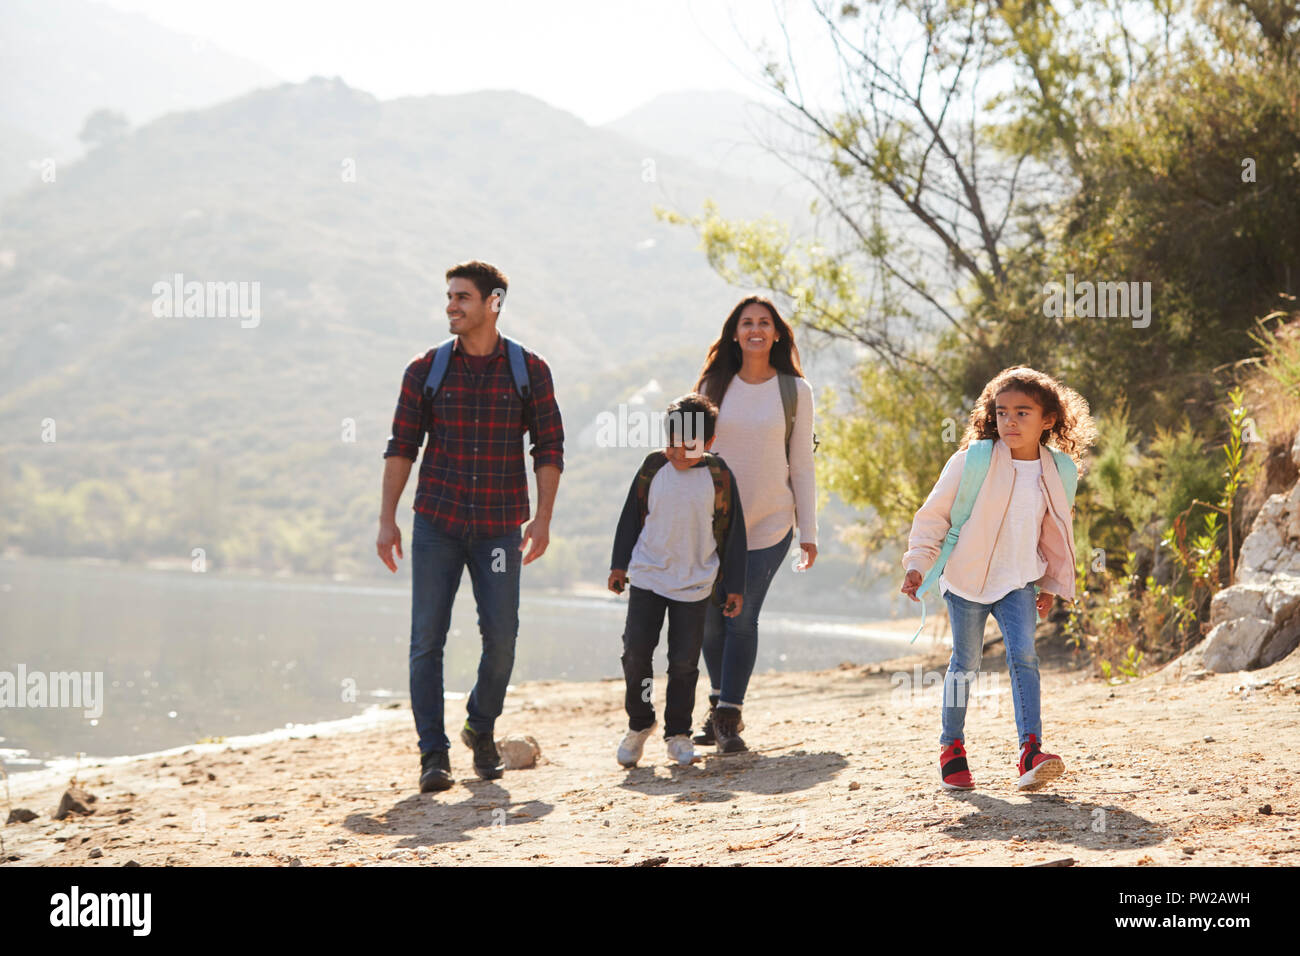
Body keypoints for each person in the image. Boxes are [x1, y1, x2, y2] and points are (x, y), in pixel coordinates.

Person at [377, 260, 564, 793]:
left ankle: (479, 727)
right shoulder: (424, 370)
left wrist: (543, 519)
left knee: (502, 638)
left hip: (500, 528)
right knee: (426, 641)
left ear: (493, 302)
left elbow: (548, 448)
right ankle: (433, 755)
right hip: (435, 522)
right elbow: (401, 448)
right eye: (449, 297)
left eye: (462, 297)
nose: (451, 306)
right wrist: (387, 519)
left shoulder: (529, 369)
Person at [900, 366, 1095, 792]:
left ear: (1048, 420)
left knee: (1025, 657)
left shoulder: (1059, 470)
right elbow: (934, 516)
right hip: (966, 580)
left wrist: (1049, 584)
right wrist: (917, 564)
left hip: (1020, 580)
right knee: (965, 664)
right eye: (1002, 411)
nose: (1010, 421)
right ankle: (951, 747)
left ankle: (1031, 750)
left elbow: (1056, 530)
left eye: (1023, 413)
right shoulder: (973, 460)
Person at [692, 296, 818, 753]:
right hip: (711, 524)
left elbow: (801, 464)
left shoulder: (795, 392)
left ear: (778, 333)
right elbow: (689, 454)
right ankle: (717, 702)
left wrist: (808, 532)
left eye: (764, 322)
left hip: (770, 523)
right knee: (708, 621)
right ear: (734, 333)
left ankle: (729, 714)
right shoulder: (712, 384)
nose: (755, 329)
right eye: (747, 323)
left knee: (741, 616)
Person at [608, 394, 747, 768]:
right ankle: (640, 724)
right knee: (636, 653)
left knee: (684, 662)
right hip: (649, 576)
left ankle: (678, 733)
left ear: (708, 443)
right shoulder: (653, 467)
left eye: (686, 447)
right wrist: (619, 566)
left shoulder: (719, 477)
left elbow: (734, 535)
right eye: (670, 443)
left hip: (695, 584)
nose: (675, 453)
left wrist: (734, 587)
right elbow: (630, 518)